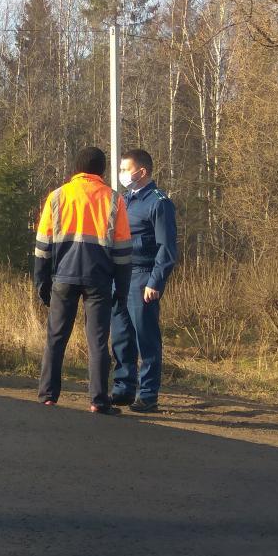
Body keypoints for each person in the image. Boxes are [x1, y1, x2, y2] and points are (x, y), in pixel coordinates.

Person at [34, 147, 132, 414]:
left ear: (76, 169)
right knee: (98, 340)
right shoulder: (114, 200)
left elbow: (43, 246)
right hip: (99, 278)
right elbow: (123, 250)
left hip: (63, 277)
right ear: (101, 171)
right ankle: (98, 401)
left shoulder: (56, 197)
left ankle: (48, 395)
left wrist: (41, 282)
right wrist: (121, 290)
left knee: (55, 337)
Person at [109, 149, 178, 413]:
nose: (123, 174)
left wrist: (155, 282)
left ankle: (148, 394)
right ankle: (123, 388)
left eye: (126, 169)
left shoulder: (159, 203)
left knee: (145, 338)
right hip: (121, 276)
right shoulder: (124, 201)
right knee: (121, 335)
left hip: (143, 277)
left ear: (142, 172)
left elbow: (167, 248)